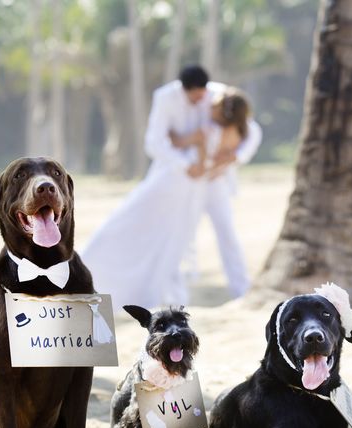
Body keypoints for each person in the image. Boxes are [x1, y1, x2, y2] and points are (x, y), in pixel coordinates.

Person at [81, 66, 261, 311]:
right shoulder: (165, 98)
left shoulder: (221, 97)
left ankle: (242, 289)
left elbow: (251, 132)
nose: (201, 101)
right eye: (195, 96)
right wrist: (185, 164)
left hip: (214, 182)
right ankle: (175, 295)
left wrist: (232, 159)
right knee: (175, 236)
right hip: (180, 179)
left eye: (203, 95)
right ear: (183, 89)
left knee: (226, 232)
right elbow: (156, 142)